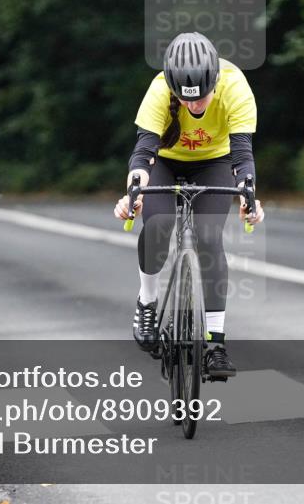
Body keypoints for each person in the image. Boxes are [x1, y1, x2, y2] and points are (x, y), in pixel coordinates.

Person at [113, 32, 264, 378]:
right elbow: (143, 154)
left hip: (214, 160)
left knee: (209, 238)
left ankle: (215, 344)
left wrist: (249, 196)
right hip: (166, 161)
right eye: (186, 99)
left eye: (202, 97)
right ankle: (147, 302)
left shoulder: (236, 86)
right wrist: (133, 194)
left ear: (215, 80)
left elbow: (242, 156)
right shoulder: (158, 89)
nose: (195, 106)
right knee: (159, 224)